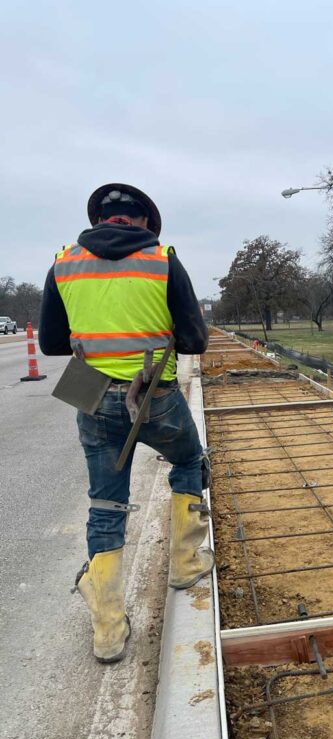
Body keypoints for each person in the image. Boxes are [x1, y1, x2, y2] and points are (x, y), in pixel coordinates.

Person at [40, 183, 212, 663]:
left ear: (99, 220)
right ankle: (184, 561)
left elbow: (53, 344)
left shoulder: (64, 263)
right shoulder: (161, 260)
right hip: (154, 393)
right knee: (187, 460)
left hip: (92, 394)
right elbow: (195, 341)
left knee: (106, 501)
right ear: (144, 222)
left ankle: (108, 628)